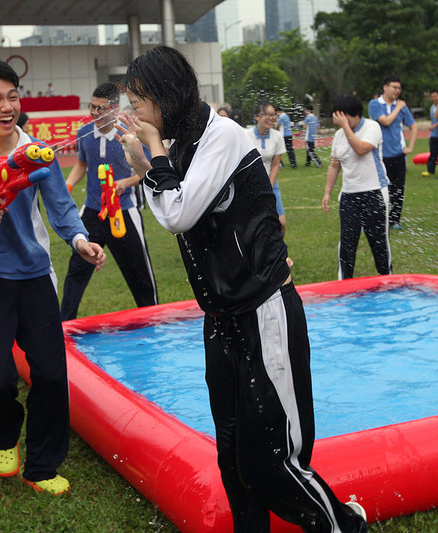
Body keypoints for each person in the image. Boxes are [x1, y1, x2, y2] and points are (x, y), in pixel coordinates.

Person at [115, 45, 368, 533]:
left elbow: (177, 213)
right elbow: (178, 206)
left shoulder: (222, 136)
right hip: (223, 318)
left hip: (262, 311)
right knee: (231, 453)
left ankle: (343, 525)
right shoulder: (181, 144)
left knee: (271, 461)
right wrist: (148, 162)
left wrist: (153, 158)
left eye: (139, 100)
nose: (134, 112)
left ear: (167, 97)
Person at [0, 56, 105, 495]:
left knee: (50, 373)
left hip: (34, 275)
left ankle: (43, 467)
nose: (7, 106)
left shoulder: (33, 151)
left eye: (13, 96)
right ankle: (4, 435)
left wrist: (79, 239)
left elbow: (60, 204)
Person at [61, 82, 157, 321]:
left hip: (123, 211)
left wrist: (125, 183)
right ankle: (64, 323)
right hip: (93, 211)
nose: (94, 113)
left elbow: (146, 170)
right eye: (91, 107)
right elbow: (82, 164)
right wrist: (68, 186)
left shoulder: (129, 133)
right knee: (77, 268)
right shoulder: (84, 133)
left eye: (100, 109)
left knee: (138, 272)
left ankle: (152, 318)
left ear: (114, 109)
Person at [322, 94, 392, 280]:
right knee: (347, 244)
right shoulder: (339, 135)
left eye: (342, 117)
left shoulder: (372, 127)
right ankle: (344, 282)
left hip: (374, 192)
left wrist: (345, 127)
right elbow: (334, 165)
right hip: (349, 196)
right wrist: (328, 191)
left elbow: (361, 149)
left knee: (378, 243)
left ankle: (387, 278)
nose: (340, 122)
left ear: (351, 114)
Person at [368, 76, 417, 230]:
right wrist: (399, 107)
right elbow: (386, 121)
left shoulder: (402, 107)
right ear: (385, 87)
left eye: (399, 88)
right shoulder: (375, 104)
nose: (397, 91)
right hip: (379, 155)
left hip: (398, 155)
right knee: (375, 189)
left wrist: (410, 147)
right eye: (394, 87)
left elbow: (413, 126)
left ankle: (394, 220)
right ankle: (371, 219)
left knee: (398, 189)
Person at [246, 101, 288, 235]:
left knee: (281, 223)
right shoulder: (246, 135)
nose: (271, 118)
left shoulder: (277, 136)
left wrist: (268, 185)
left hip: (270, 184)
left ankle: (278, 253)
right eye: (267, 114)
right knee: (252, 223)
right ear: (257, 116)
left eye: (273, 114)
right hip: (250, 185)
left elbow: (276, 164)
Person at [422, 89, 438, 177]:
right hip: (434, 135)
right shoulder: (432, 107)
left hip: (435, 131)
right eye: (432, 97)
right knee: (433, 153)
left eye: (436, 96)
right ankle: (430, 171)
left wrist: (433, 126)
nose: (434, 98)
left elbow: (436, 115)